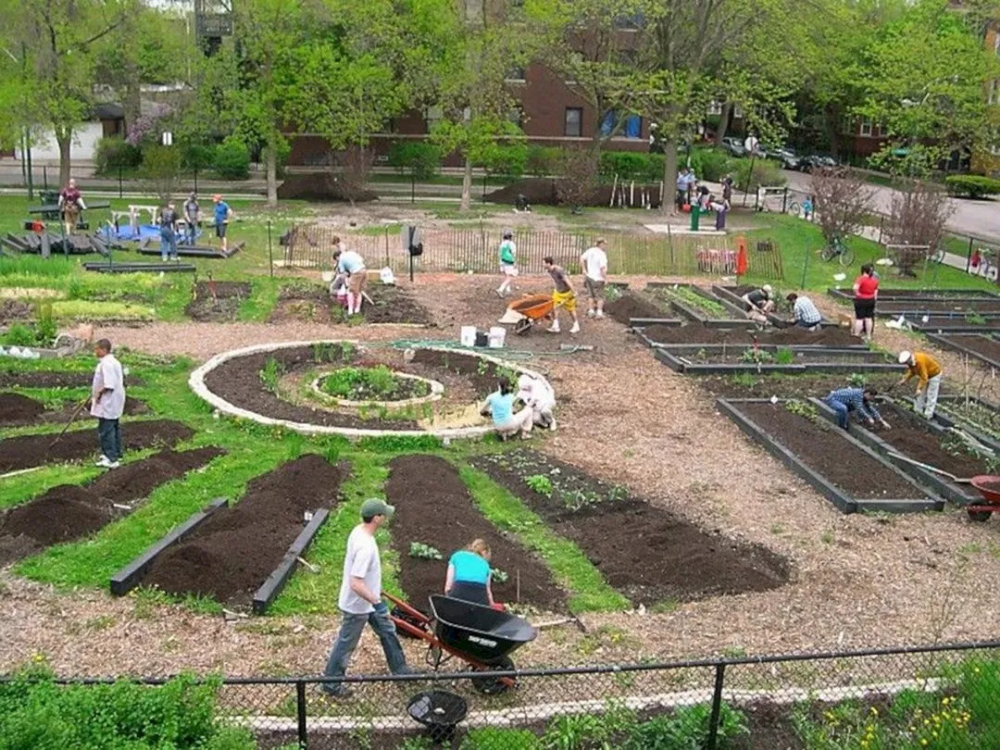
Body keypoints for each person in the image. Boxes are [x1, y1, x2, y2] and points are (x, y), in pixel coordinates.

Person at [322, 498, 412, 698]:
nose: (386, 517)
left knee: (388, 631)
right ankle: (331, 683)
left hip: (369, 600)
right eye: (384, 514)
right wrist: (377, 602)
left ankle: (400, 670)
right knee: (346, 643)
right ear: (377, 518)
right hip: (358, 605)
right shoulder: (365, 547)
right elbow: (356, 583)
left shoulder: (359, 530)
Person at [90, 339, 125, 469]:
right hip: (114, 400)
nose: (95, 351)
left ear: (104, 350)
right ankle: (115, 453)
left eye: (97, 349)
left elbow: (109, 385)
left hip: (108, 401)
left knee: (106, 430)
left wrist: (98, 393)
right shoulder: (114, 362)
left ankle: (111, 458)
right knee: (114, 427)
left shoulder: (107, 364)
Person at [445, 539, 496, 607]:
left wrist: (448, 599)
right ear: (484, 552)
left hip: (459, 591)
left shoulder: (457, 556)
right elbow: (488, 591)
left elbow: (448, 585)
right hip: (480, 597)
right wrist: (492, 605)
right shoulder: (485, 564)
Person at [897, 351, 943, 419]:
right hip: (926, 375)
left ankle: (928, 415)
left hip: (934, 374)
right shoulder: (912, 362)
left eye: (906, 362)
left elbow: (924, 377)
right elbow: (912, 371)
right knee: (920, 394)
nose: (906, 364)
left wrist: (919, 389)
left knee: (931, 395)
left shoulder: (920, 361)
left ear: (909, 359)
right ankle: (918, 411)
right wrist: (905, 379)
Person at [824, 387, 890, 431]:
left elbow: (871, 408)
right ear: (868, 394)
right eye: (871, 397)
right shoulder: (858, 395)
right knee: (844, 409)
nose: (872, 399)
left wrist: (883, 421)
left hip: (844, 402)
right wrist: (869, 418)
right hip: (833, 399)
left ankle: (860, 419)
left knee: (853, 407)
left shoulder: (863, 396)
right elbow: (859, 408)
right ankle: (842, 426)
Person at [543, 256, 580, 334]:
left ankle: (576, 325)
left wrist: (574, 291)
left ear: (549, 263)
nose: (543, 265)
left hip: (566, 292)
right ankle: (556, 326)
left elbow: (567, 281)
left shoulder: (559, 270)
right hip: (558, 292)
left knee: (571, 309)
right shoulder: (549, 270)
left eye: (544, 263)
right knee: (554, 307)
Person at [333, 247, 368, 316]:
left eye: (336, 259)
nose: (337, 261)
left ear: (337, 257)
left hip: (356, 272)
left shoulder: (341, 260)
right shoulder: (351, 253)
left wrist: (347, 283)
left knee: (350, 291)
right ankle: (357, 310)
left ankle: (350, 311)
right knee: (359, 291)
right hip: (364, 270)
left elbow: (343, 274)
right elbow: (361, 260)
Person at [580, 238, 608, 319]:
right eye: (604, 244)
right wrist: (605, 278)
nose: (605, 246)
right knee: (600, 296)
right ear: (601, 244)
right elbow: (602, 268)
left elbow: (581, 258)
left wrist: (584, 269)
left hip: (589, 277)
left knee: (590, 295)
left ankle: (591, 311)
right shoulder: (602, 254)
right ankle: (599, 313)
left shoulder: (590, 250)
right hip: (598, 278)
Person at [852, 264, 879, 341]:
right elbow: (875, 293)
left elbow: (855, 288)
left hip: (861, 300)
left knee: (859, 319)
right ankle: (868, 336)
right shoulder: (874, 280)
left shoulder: (861, 279)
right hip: (871, 300)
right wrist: (873, 300)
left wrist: (857, 293)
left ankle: (856, 335)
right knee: (869, 318)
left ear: (863, 271)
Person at [497, 230, 518, 298]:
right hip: (509, 262)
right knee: (510, 277)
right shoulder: (511, 244)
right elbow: (513, 253)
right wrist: (515, 262)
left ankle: (508, 290)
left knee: (506, 276)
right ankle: (501, 289)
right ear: (510, 237)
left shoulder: (502, 244)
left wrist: (500, 262)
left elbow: (500, 253)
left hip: (502, 261)